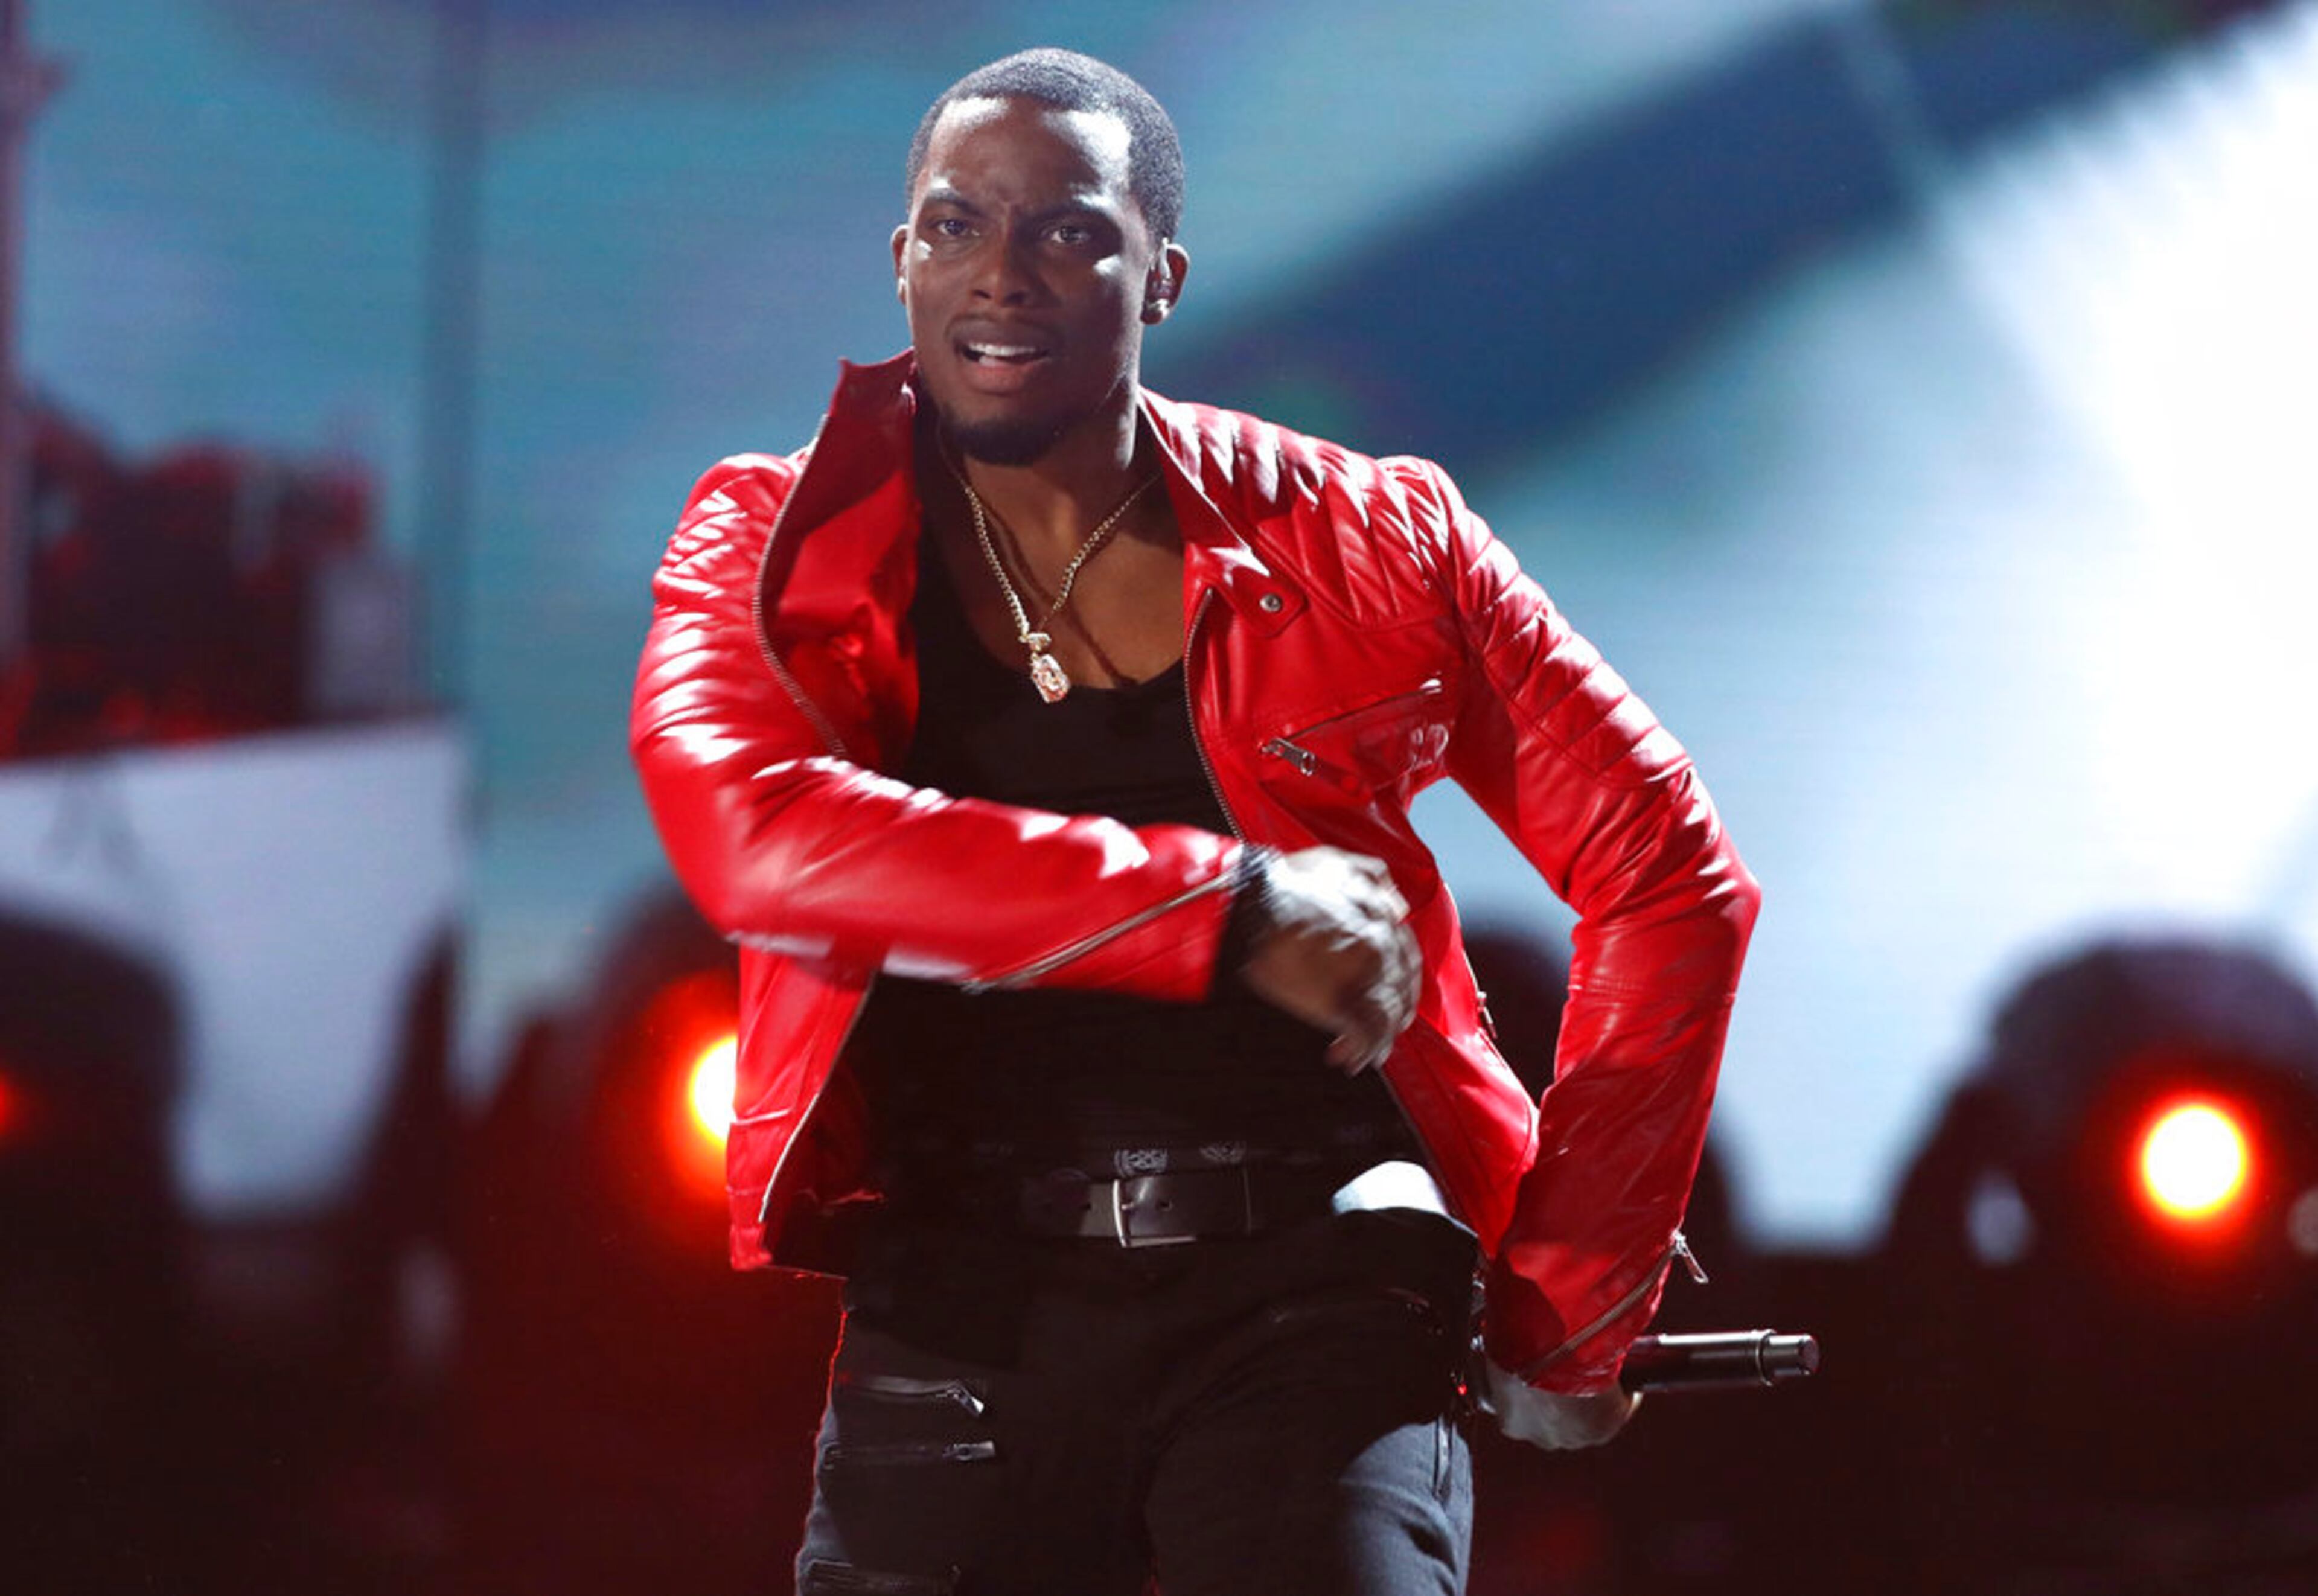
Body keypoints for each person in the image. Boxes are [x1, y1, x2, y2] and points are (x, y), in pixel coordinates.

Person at [630, 47, 1759, 1596]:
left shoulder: (1381, 534)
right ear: (900, 261)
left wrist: (1577, 1288)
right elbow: (758, 838)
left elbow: (1669, 869)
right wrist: (1227, 909)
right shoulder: (767, 536)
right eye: (957, 226)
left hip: (1320, 1294)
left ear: (1161, 275)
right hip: (959, 1296)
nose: (1003, 276)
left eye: (1068, 232)